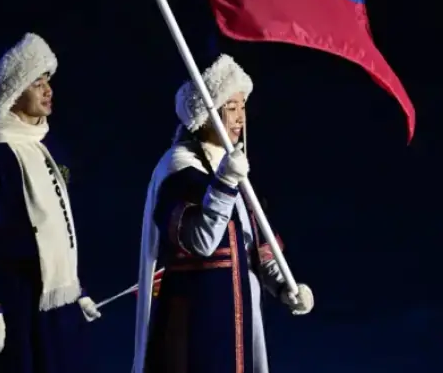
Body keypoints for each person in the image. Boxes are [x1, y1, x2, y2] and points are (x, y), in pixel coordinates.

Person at [131, 53, 314, 373]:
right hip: (196, 326)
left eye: (242, 106)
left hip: (242, 319)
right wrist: (225, 182)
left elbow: (256, 246)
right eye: (230, 107)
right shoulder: (179, 170)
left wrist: (286, 286)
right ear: (205, 114)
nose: (240, 117)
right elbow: (201, 239)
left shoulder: (231, 166)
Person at [0, 32, 101, 373]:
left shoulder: (48, 146)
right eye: (36, 83)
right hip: (14, 305)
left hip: (53, 306)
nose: (48, 91)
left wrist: (75, 287)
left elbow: (59, 229)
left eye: (48, 81)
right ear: (12, 92)